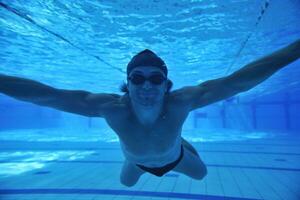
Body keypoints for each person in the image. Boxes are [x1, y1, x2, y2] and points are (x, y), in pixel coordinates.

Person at [0, 39, 299, 187]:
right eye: (137, 78)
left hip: (176, 158)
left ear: (166, 84)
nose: (146, 86)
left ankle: (181, 145)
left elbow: (240, 81)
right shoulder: (110, 108)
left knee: (202, 174)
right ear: (127, 84)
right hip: (136, 162)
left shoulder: (181, 102)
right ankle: (154, 151)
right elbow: (45, 95)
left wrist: (294, 49)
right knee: (125, 183)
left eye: (155, 78)